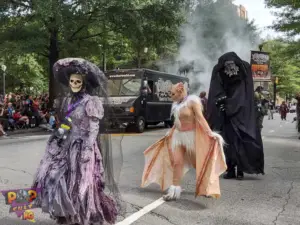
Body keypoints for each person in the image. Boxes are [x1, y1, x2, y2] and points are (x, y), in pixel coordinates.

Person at [32, 58, 123, 225]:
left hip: (83, 147)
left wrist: (87, 149)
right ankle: (65, 213)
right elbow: (67, 123)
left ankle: (82, 215)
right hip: (67, 145)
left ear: (84, 83)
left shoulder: (91, 101)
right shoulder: (68, 100)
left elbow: (93, 128)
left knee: (82, 184)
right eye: (72, 81)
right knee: (57, 177)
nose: (74, 84)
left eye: (78, 81)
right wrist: (58, 138)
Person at [141, 82, 227, 201]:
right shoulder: (176, 104)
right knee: (177, 162)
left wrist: (210, 133)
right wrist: (170, 133)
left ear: (181, 91)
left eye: (173, 93)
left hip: (191, 137)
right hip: (178, 137)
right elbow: (177, 123)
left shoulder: (193, 101)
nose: (171, 96)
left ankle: (207, 186)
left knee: (198, 163)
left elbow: (200, 118)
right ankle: (174, 191)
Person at [206, 52, 264, 180]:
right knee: (229, 142)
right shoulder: (223, 70)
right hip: (231, 115)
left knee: (235, 142)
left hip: (237, 114)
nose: (230, 69)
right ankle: (233, 170)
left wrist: (225, 102)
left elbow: (243, 92)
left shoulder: (241, 69)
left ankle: (237, 170)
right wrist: (222, 102)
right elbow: (217, 90)